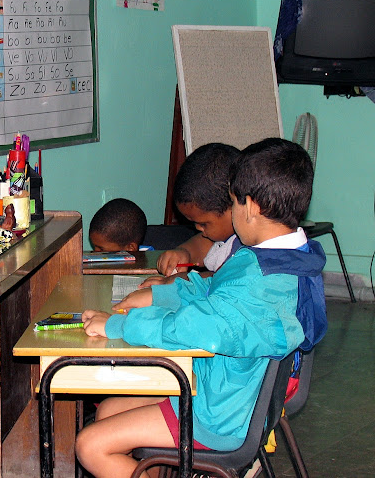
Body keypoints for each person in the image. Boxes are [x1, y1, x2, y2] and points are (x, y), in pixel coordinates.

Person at [75, 138, 326, 478]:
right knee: (107, 412)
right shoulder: (280, 261)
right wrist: (161, 294)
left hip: (222, 415)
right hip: (223, 391)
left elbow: (192, 327)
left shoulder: (259, 282)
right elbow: (214, 291)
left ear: (249, 206)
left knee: (90, 445)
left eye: (234, 202)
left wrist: (119, 325)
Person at [154, 143, 241, 279]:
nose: (198, 228)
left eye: (204, 224)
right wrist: (184, 252)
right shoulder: (228, 232)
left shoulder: (254, 245)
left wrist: (182, 282)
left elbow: (224, 281)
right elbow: (206, 242)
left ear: (235, 207)